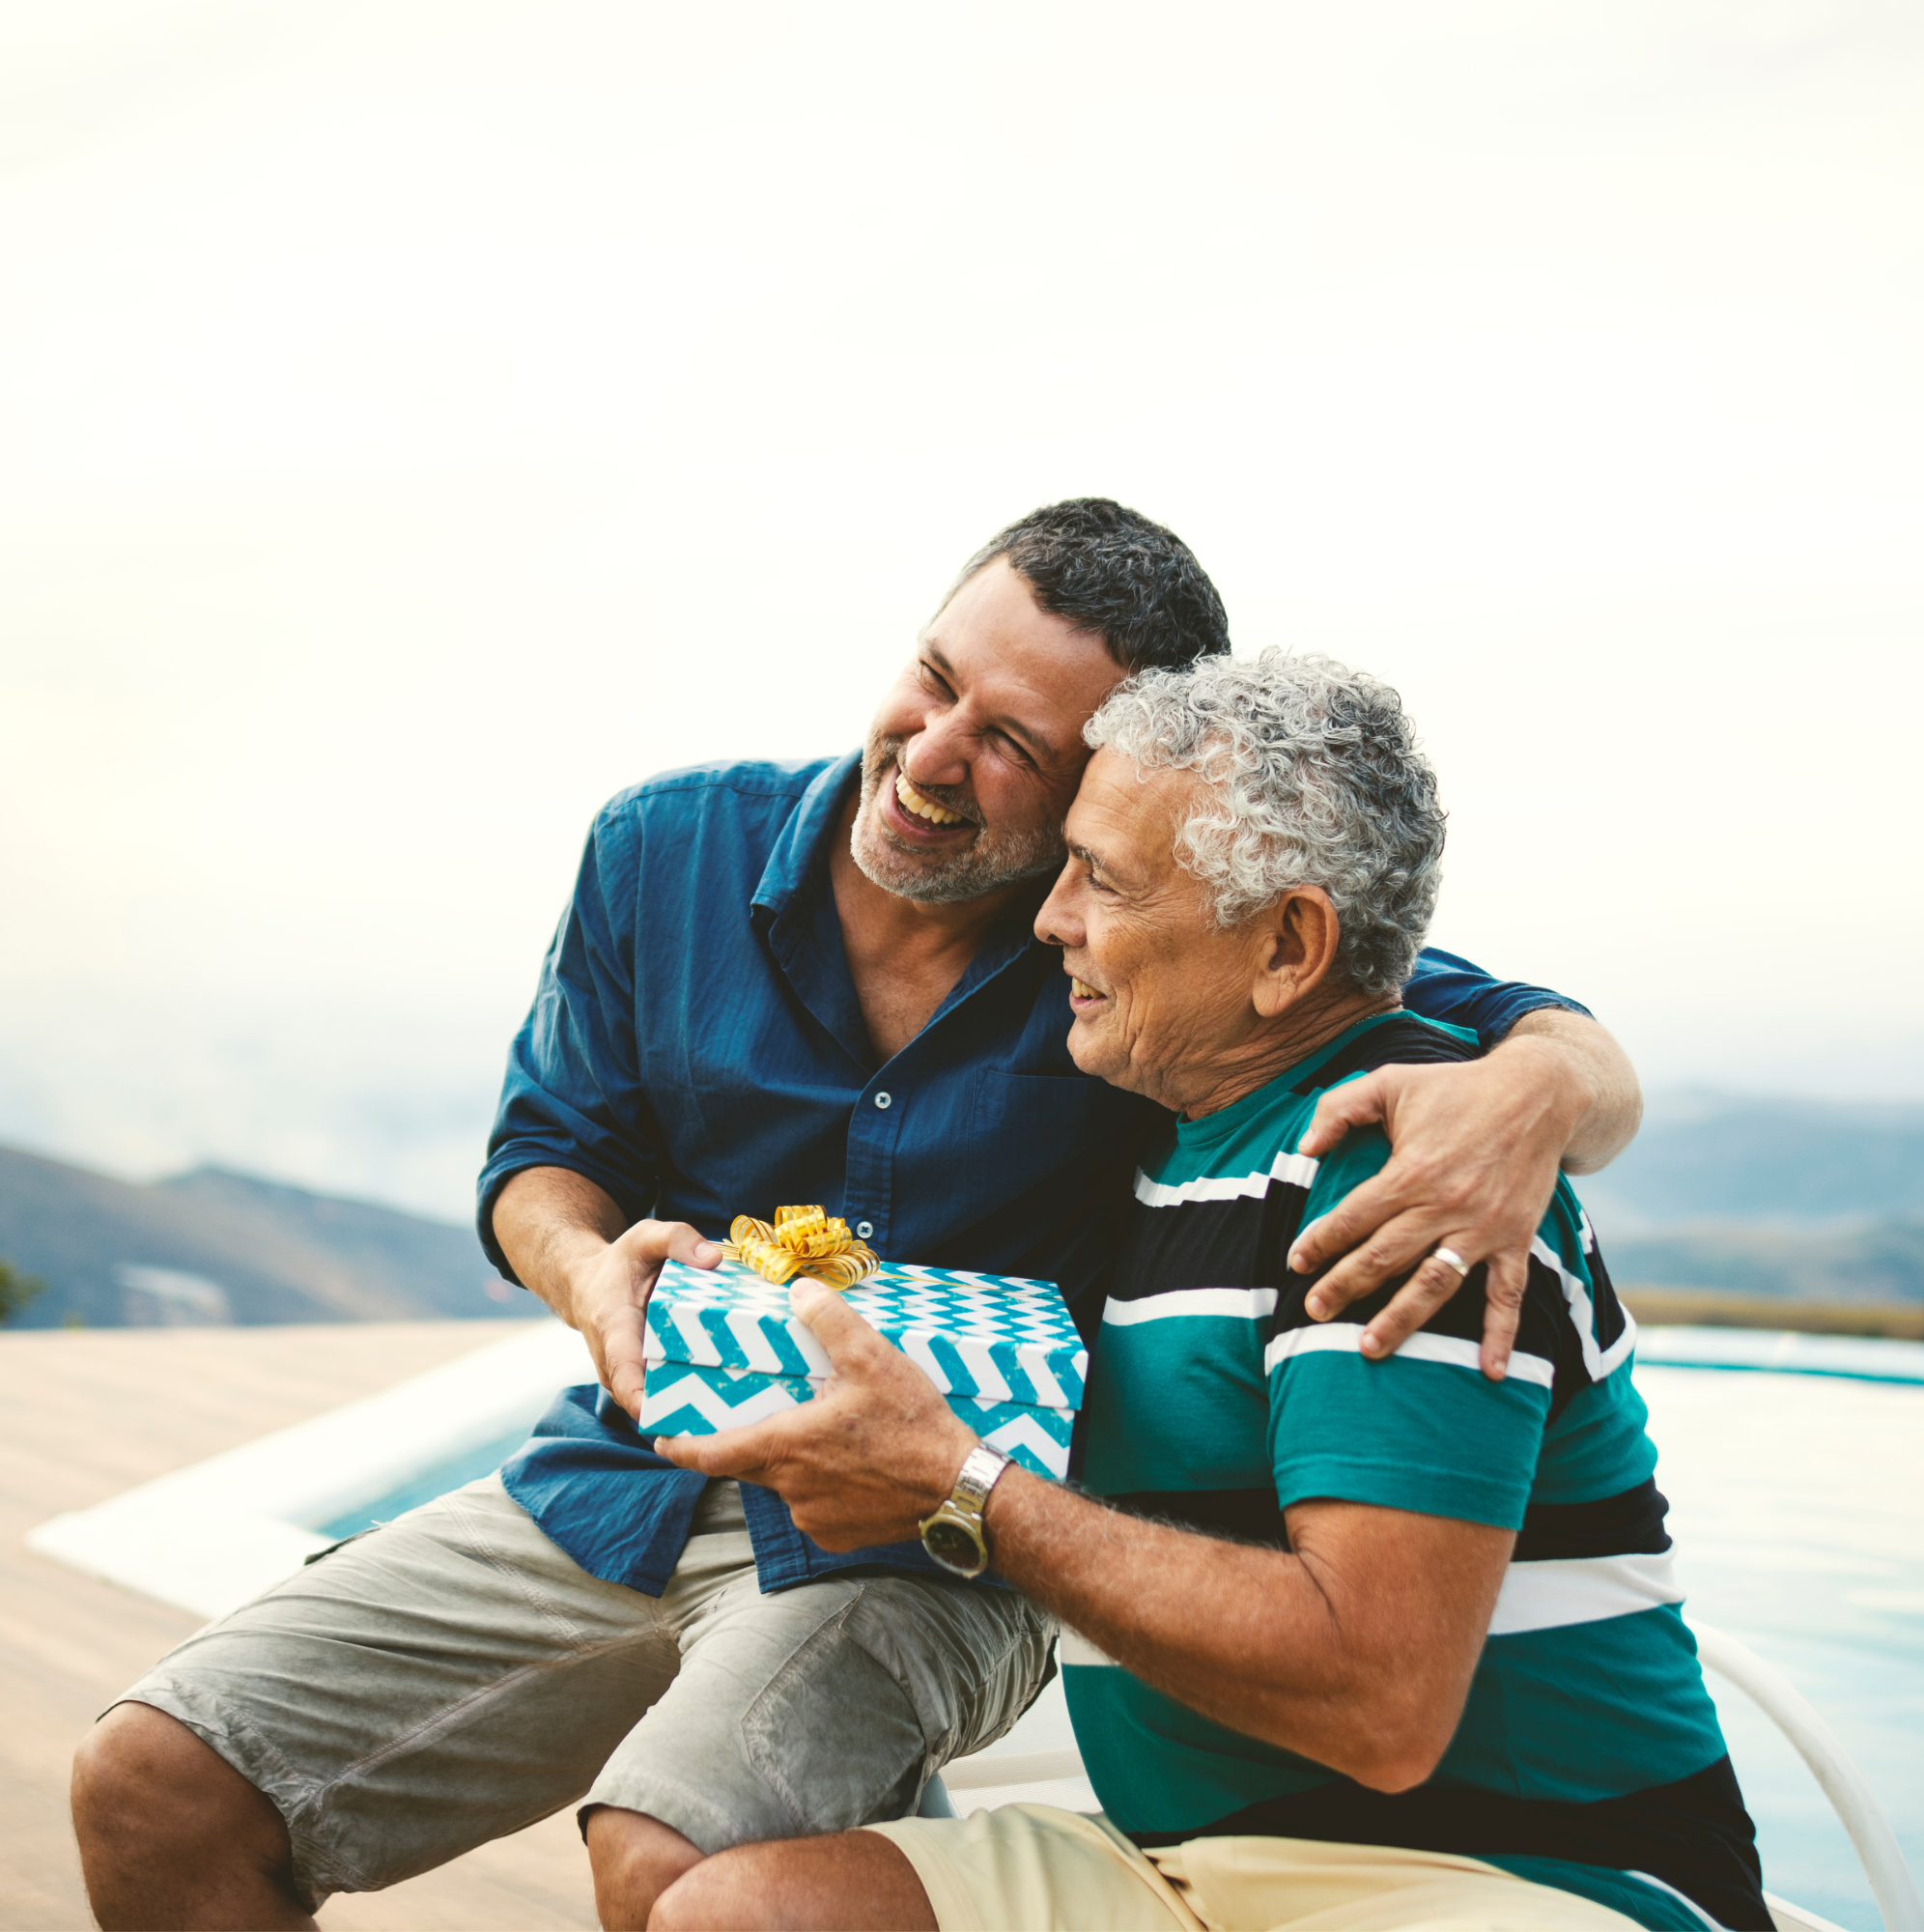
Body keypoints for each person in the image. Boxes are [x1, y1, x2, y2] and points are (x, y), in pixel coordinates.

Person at [71, 503, 1642, 1931]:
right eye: (932, 675)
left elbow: (1398, 991)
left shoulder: (1144, 942)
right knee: (150, 1780)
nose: (933, 751)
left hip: (936, 1538)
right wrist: (587, 1273)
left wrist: (1539, 1092)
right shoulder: (661, 848)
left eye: (1016, 741)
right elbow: (545, 1156)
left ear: (1120, 779)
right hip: (632, 1464)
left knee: (676, 1858)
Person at [643, 651, 1766, 1932]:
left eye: (1101, 881)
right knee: (730, 1914)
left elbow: (1379, 1702)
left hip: (1519, 1881)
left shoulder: (1396, 1177)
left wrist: (966, 1492)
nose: (1050, 917)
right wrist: (755, 1274)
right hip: (1187, 1868)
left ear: (1287, 947)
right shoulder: (1142, 1129)